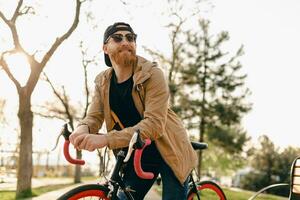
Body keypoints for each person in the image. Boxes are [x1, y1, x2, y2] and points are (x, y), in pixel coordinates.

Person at [69, 22, 197, 200]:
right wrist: (82, 129)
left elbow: (154, 125)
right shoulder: (102, 82)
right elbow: (94, 116)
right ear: (105, 47)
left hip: (171, 150)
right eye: (118, 37)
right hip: (139, 156)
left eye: (130, 38)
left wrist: (106, 139)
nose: (126, 42)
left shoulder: (153, 74)